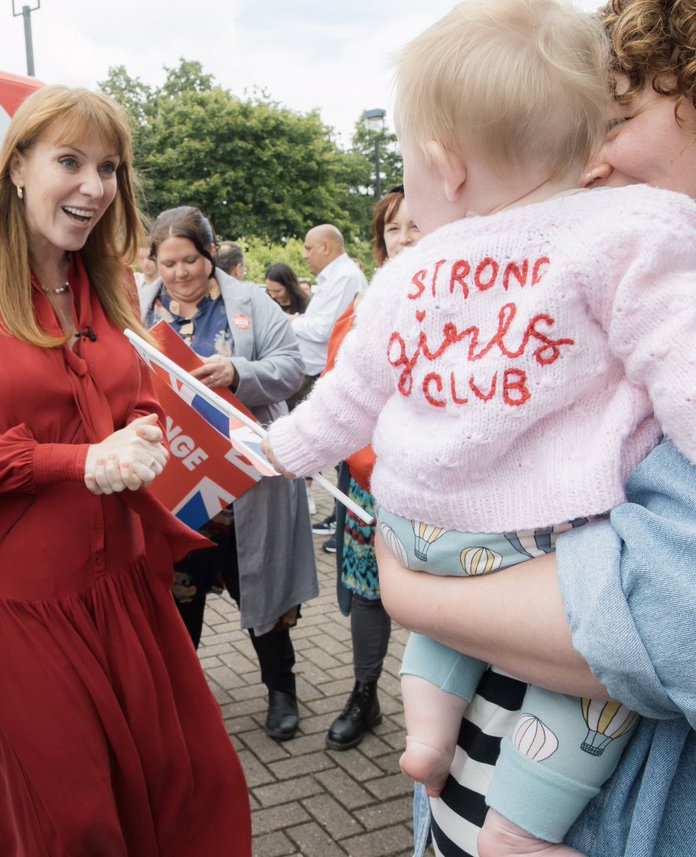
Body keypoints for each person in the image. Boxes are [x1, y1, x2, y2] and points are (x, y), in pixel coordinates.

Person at [263, 0, 696, 853]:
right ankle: (511, 821)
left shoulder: (415, 269)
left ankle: (435, 745)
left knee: (448, 648)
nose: (598, 156)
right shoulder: (633, 236)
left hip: (419, 532)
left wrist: (283, 453)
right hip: (531, 542)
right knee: (583, 704)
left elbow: (349, 398)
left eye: (619, 118)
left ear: (443, 165)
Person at [0, 85, 251, 855]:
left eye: (109, 167)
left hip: (121, 577)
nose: (94, 186)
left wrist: (145, 432)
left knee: (193, 783)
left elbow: (135, 397)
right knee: (77, 821)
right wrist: (78, 459)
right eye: (69, 161)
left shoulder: (110, 279)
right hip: (16, 594)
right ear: (17, 166)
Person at [140, 206, 316, 742]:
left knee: (262, 592)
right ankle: (183, 700)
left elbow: (292, 367)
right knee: (179, 595)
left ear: (210, 254)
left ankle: (281, 690)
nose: (180, 273)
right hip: (180, 483)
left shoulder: (252, 303)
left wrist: (239, 372)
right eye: (168, 263)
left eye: (190, 260)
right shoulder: (139, 308)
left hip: (247, 484)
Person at [322, 186, 419, 753]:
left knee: (453, 601)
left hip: (446, 490)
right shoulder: (362, 308)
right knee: (367, 592)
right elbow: (337, 394)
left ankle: (452, 712)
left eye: (415, 225)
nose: (404, 239)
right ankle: (365, 693)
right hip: (372, 485)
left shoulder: (474, 297)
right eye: (392, 229)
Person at [290, 223, 366, 383]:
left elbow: (324, 330)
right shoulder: (336, 277)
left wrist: (293, 321)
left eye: (308, 248)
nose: (304, 255)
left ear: (325, 247)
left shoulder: (345, 277)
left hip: (322, 375)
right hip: (316, 372)